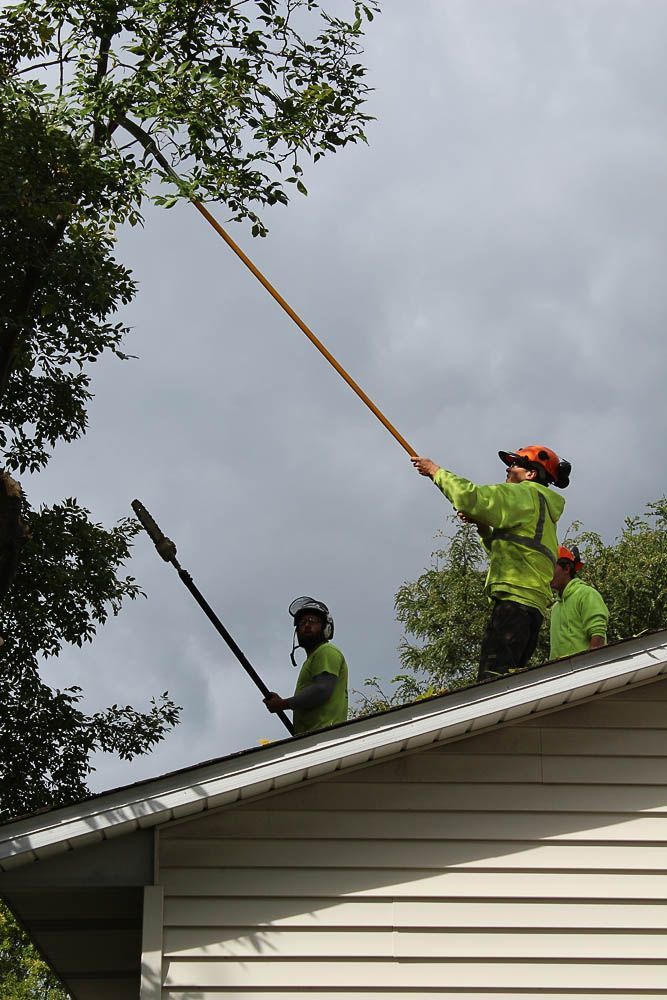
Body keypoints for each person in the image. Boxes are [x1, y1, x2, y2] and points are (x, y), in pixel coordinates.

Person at [412, 445, 571, 680]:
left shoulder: (524, 494)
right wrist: (484, 528)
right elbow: (512, 551)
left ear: (531, 474)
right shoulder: (544, 513)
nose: (508, 468)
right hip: (531, 612)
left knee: (491, 683)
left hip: (513, 606)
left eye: (515, 464)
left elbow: (470, 498)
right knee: (510, 684)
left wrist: (435, 471)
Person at [264, 596, 348, 734]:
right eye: (302, 622)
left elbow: (322, 689)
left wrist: (283, 704)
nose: (307, 625)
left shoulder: (326, 651)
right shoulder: (313, 659)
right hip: (313, 737)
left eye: (313, 621)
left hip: (324, 736)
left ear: (326, 628)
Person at [550, 544, 608, 659]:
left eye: (551, 567)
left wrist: (589, 668)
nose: (547, 573)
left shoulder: (586, 594)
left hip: (584, 672)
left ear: (567, 569)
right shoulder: (555, 607)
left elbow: (598, 635)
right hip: (562, 674)